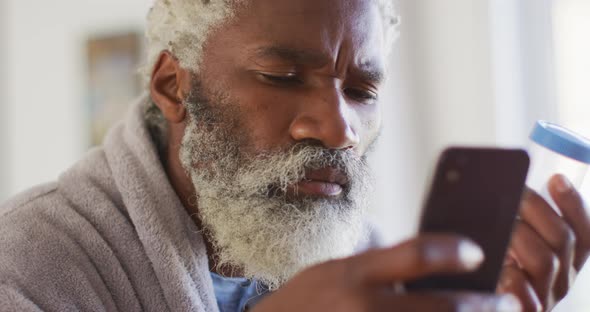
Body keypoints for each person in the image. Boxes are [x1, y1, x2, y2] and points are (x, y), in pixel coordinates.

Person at [1, 0, 589, 311]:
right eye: (281, 75)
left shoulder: (370, 266)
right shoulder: (30, 266)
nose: (338, 130)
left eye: (362, 92)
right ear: (173, 85)